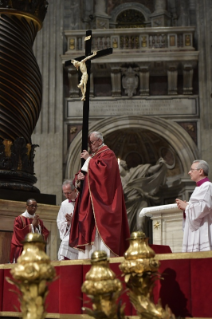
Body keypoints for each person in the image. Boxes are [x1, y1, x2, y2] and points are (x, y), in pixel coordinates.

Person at [69, 131, 130, 259]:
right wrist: (79, 179)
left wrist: (88, 160)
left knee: (101, 232)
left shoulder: (108, 154)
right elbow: (84, 176)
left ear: (99, 141)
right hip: (90, 203)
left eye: (91, 142)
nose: (90, 146)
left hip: (102, 202)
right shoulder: (94, 156)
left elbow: (104, 175)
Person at [119, 158, 167, 233]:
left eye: (118, 166)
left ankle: (141, 244)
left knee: (140, 225)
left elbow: (149, 170)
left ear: (123, 166)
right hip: (127, 206)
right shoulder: (118, 180)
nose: (117, 169)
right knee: (126, 228)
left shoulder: (135, 171)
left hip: (140, 202)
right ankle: (128, 245)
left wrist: (159, 165)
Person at [176, 160, 212, 252]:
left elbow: (204, 207)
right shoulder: (199, 188)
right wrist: (186, 207)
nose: (189, 172)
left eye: (192, 170)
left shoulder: (207, 186)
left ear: (200, 171)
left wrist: (187, 207)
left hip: (203, 229)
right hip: (197, 229)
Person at [10, 199, 49, 263]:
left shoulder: (39, 221)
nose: (34, 207)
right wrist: (31, 226)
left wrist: (37, 227)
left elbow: (45, 233)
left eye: (35, 206)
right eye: (32, 205)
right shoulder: (19, 219)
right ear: (26, 206)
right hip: (23, 249)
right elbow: (18, 234)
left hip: (36, 250)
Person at [57, 180, 78, 260]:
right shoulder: (64, 204)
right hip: (70, 233)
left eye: (68, 193)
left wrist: (74, 220)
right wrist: (68, 223)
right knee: (64, 244)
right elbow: (59, 222)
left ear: (75, 190)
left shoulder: (82, 201)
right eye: (64, 193)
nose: (66, 195)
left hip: (82, 234)